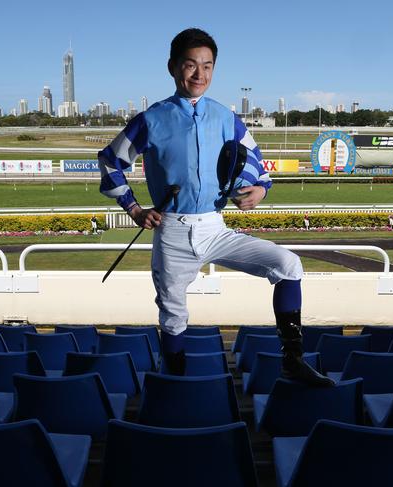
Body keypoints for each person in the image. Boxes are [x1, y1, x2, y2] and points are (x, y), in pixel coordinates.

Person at [98, 28, 332, 386]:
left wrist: (260, 191)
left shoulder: (226, 117)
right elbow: (110, 161)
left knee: (288, 265)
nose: (199, 75)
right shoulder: (151, 119)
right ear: (173, 68)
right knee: (173, 317)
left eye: (207, 66)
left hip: (214, 227)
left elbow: (256, 164)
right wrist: (133, 208)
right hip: (172, 231)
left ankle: (293, 361)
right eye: (190, 65)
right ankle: (175, 383)